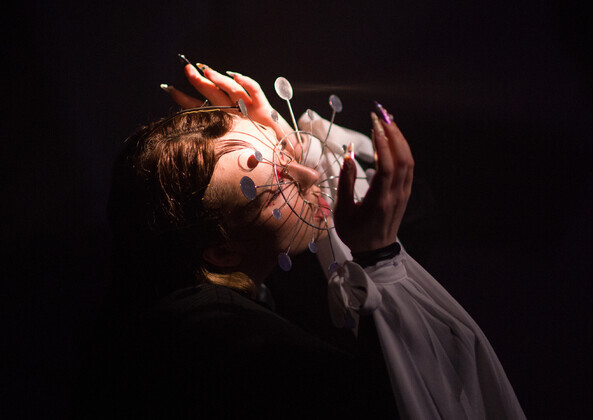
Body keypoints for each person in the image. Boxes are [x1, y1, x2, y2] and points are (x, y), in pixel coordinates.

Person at [78, 61, 525, 419]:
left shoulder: (268, 280)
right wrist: (379, 258)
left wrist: (289, 137)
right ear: (221, 251)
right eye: (273, 189)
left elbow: (421, 214)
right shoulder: (215, 341)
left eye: (284, 150)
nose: (312, 175)